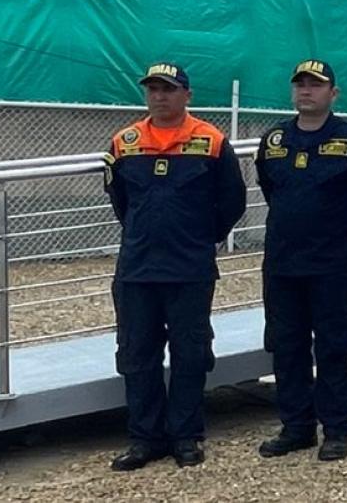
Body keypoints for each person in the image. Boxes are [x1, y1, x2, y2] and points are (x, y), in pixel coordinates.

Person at [101, 62, 247, 471]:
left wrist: (200, 238)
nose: (160, 96)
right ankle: (144, 438)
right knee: (137, 354)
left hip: (190, 267)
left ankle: (186, 436)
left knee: (191, 354)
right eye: (153, 89)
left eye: (168, 89)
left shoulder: (211, 141)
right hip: (138, 269)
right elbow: (121, 204)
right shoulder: (124, 142)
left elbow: (232, 201)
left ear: (187, 94)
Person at [253, 59, 347, 462]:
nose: (306, 90)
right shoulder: (273, 140)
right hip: (283, 263)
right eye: (300, 84)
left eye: (316, 84)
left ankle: (337, 427)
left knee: (333, 345)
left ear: (334, 93)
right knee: (286, 345)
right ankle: (296, 426)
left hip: (332, 263)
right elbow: (270, 189)